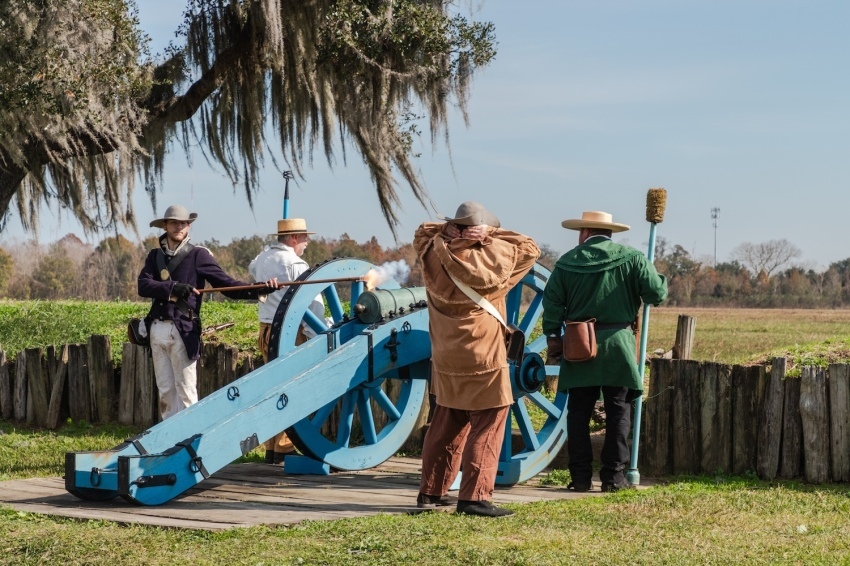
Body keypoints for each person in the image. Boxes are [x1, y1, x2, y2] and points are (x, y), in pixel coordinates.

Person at [415, 201, 540, 517]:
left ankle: (431, 492)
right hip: (482, 353)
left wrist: (452, 231)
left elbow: (422, 231)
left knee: (446, 420)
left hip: (445, 352)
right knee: (490, 421)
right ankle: (474, 497)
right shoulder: (493, 257)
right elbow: (530, 248)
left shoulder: (432, 250)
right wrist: (489, 234)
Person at [542, 210, 668, 493]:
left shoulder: (566, 262)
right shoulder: (633, 258)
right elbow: (655, 295)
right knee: (618, 412)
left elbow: (551, 305)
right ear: (610, 233)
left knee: (578, 413)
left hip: (578, 344)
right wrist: (657, 276)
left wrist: (553, 337)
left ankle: (580, 478)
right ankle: (614, 478)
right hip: (618, 345)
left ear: (584, 233)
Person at [138, 205, 278, 420]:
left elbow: (226, 285)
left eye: (183, 223)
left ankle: (188, 444)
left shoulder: (198, 255)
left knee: (186, 391)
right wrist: (173, 287)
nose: (179, 227)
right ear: (165, 226)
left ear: (188, 226)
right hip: (157, 328)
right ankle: (169, 445)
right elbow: (143, 285)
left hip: (182, 330)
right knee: (165, 393)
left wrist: (259, 288)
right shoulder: (154, 256)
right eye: (174, 222)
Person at [249, 217, 326, 465]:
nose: (307, 243)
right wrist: (319, 337)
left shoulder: (261, 259)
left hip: (266, 329)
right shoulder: (296, 263)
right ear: (293, 238)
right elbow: (312, 304)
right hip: (290, 333)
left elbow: (252, 270)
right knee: (291, 388)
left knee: (274, 387)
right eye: (304, 238)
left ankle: (272, 447)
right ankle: (284, 447)